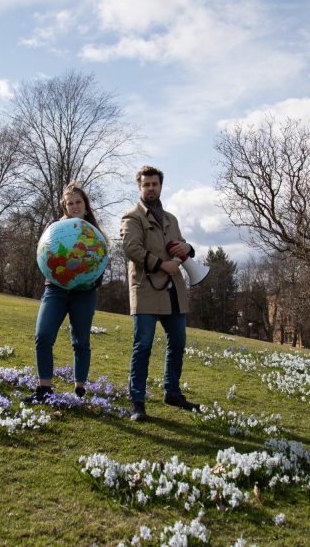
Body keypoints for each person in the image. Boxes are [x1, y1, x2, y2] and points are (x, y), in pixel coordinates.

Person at [120, 165, 201, 421]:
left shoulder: (171, 219)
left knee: (178, 344)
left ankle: (172, 393)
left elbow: (180, 245)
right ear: (139, 187)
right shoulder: (131, 217)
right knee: (142, 346)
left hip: (174, 291)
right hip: (146, 290)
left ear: (160, 186)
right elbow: (131, 248)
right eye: (146, 185)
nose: (151, 188)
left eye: (154, 184)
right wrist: (161, 264)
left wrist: (188, 247)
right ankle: (137, 402)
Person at [24, 183, 104, 403]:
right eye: (70, 203)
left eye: (79, 202)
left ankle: (79, 390)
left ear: (86, 205)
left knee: (81, 341)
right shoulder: (55, 228)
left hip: (84, 292)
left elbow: (100, 264)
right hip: (56, 289)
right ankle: (44, 389)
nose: (75, 206)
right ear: (65, 207)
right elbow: (44, 253)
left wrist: (89, 278)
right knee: (43, 336)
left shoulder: (93, 232)